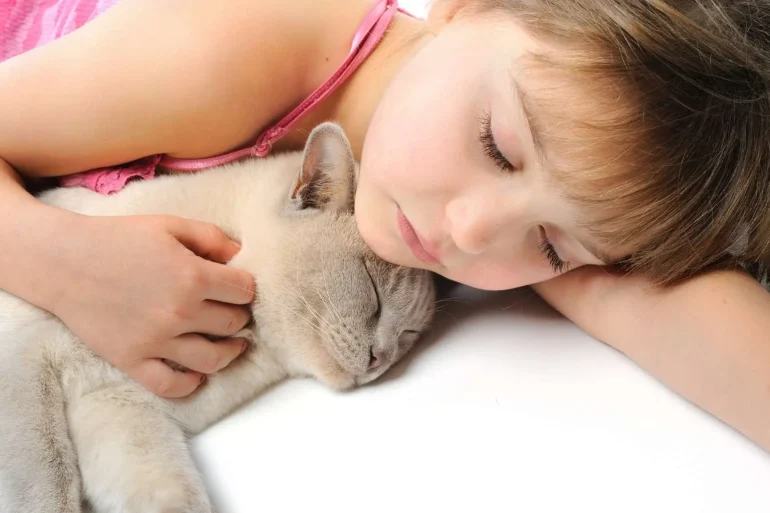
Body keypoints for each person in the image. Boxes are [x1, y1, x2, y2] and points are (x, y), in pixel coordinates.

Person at [1, 0, 768, 450]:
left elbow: (702, 339)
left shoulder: (517, 202)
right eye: (497, 147)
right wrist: (62, 261)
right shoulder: (235, 49)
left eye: (551, 248)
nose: (472, 233)